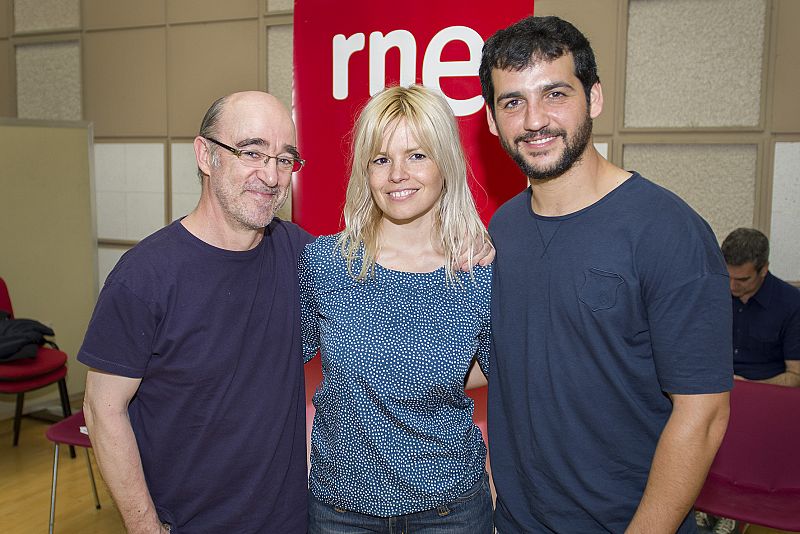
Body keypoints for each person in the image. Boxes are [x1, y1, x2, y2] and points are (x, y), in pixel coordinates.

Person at [479, 16, 733, 533]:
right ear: (490, 120)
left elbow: (702, 416)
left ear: (593, 98)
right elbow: (497, 359)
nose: (534, 120)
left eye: (555, 94)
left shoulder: (668, 230)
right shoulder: (501, 229)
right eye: (512, 102)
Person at [79, 91, 313, 533]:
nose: (271, 175)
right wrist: (144, 527)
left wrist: (459, 245)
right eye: (252, 152)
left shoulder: (300, 254)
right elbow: (102, 408)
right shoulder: (144, 276)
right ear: (206, 155)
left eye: (285, 159)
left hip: (291, 522)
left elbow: (384, 279)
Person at [299, 84, 494, 533]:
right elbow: (274, 363)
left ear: (446, 161)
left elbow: (499, 369)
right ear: (364, 171)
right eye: (381, 159)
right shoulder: (325, 263)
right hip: (340, 511)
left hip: (452, 511)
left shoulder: (479, 271)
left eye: (417, 155)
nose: (397, 174)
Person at [721, 227, 800, 386]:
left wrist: (749, 386)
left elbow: (795, 376)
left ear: (763, 269)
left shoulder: (792, 303)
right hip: (715, 388)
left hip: (767, 392)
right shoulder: (713, 294)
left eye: (742, 280)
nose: (731, 286)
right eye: (727, 276)